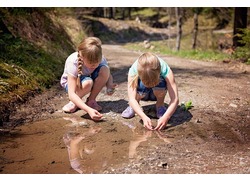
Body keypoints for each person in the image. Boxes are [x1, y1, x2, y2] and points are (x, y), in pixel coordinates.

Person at [60, 37, 117, 121]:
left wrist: (109, 85)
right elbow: (71, 93)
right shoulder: (73, 62)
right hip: (74, 83)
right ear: (81, 56)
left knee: (105, 69)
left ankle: (91, 100)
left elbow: (108, 74)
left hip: (88, 78)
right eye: (90, 63)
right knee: (88, 83)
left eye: (96, 63)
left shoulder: (101, 58)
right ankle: (74, 102)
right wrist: (88, 110)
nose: (94, 65)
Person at [121, 52, 179, 130]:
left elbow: (175, 99)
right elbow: (131, 98)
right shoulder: (134, 70)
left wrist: (166, 117)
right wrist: (143, 116)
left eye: (153, 82)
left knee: (161, 82)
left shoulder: (165, 69)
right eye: (147, 82)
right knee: (136, 85)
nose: (150, 85)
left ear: (159, 73)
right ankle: (134, 107)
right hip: (141, 93)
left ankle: (160, 105)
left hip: (157, 93)